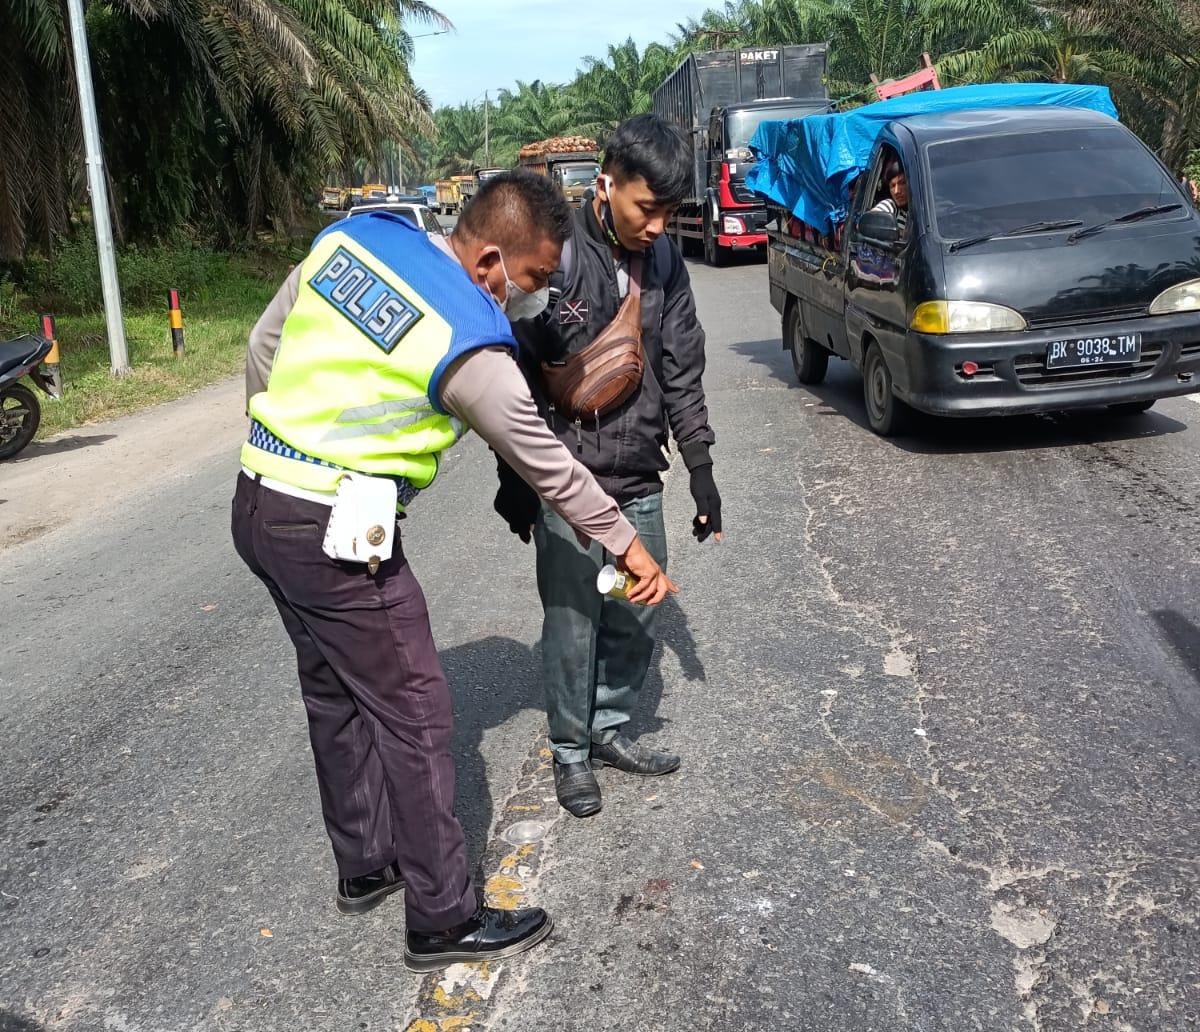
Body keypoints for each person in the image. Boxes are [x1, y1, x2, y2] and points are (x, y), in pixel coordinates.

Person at [232, 170, 677, 972]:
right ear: (490, 261)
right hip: (334, 531)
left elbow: (263, 349)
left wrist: (295, 447)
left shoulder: (356, 240)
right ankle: (442, 914)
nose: (533, 296)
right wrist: (629, 544)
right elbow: (551, 467)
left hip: (259, 501)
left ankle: (366, 865)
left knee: (332, 690)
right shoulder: (469, 335)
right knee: (418, 710)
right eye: (535, 278)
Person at [493, 114, 720, 819]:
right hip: (566, 479)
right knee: (572, 621)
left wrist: (702, 466)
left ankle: (608, 726)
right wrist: (516, 481)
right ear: (606, 185)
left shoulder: (667, 263)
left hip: (637, 473)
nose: (656, 226)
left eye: (669, 213)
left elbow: (682, 364)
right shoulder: (553, 254)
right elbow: (507, 371)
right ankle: (569, 752)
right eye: (646, 209)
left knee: (636, 613)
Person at [871, 155, 909, 236]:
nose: (896, 191)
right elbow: (869, 222)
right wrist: (901, 235)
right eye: (892, 186)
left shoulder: (927, 210)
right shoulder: (891, 206)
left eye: (902, 183)